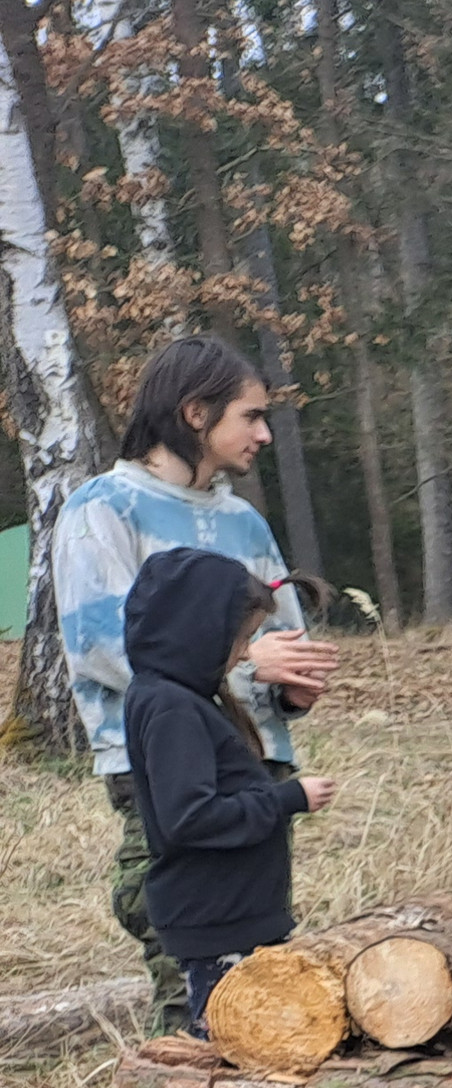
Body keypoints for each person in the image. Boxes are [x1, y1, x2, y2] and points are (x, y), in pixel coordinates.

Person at [53, 337, 342, 1031]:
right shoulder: (103, 509)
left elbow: (277, 635)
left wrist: (288, 689)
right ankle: (176, 1085)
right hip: (165, 765)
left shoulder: (244, 521)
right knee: (189, 958)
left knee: (257, 965)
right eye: (251, 416)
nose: (264, 434)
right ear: (194, 412)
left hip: (256, 765)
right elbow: (100, 645)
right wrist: (245, 664)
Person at [117, 550, 337, 1033]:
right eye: (242, 638)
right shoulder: (173, 709)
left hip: (232, 919)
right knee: (236, 1042)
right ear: (200, 631)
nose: (246, 654)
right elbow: (191, 817)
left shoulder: (183, 700)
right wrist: (288, 798)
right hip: (217, 928)